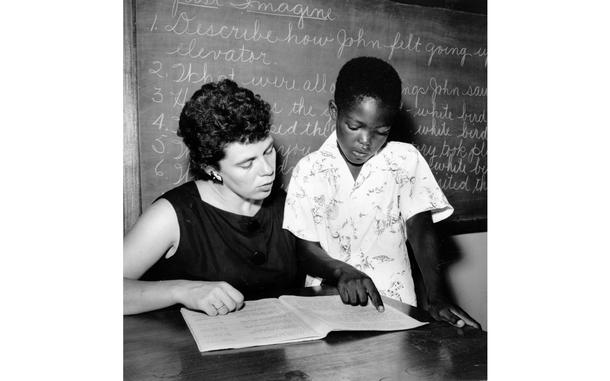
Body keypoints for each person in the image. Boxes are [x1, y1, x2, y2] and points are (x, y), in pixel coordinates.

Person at [124, 79, 383, 316]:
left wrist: (342, 271)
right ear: (211, 168)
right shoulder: (171, 215)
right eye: (247, 164)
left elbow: (310, 254)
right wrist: (181, 290)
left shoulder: (285, 203)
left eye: (268, 151)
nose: (268, 169)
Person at [283, 57, 481, 329]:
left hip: (395, 307)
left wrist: (436, 297)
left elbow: (420, 231)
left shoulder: (404, 159)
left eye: (381, 131)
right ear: (334, 111)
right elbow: (304, 249)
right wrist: (342, 271)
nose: (366, 142)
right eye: (354, 127)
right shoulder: (308, 170)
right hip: (326, 306)